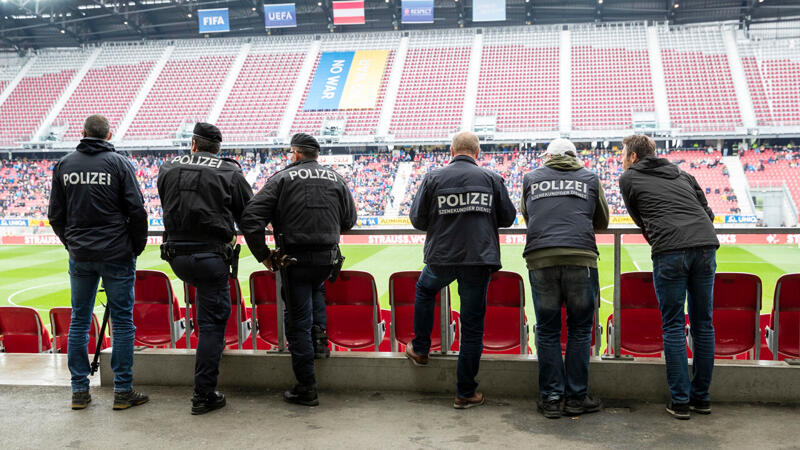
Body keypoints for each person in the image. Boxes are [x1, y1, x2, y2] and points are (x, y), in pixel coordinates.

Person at [240, 133, 357, 406]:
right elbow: (349, 220)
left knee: (297, 324)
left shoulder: (281, 179)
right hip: (327, 260)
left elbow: (250, 218)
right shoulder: (336, 178)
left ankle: (306, 387)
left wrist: (264, 255)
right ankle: (320, 344)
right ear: (316, 154)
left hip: (295, 261)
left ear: (295, 154)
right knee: (316, 292)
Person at [406, 131, 516, 409]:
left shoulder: (433, 177)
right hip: (478, 260)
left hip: (442, 257)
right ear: (477, 154)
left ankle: (420, 348)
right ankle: (465, 392)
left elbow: (418, 220)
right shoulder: (492, 178)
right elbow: (508, 218)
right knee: (472, 327)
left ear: (452, 151)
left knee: (424, 288)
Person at [48, 114, 149, 411]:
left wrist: (73, 244)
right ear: (108, 135)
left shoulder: (65, 164)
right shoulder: (119, 163)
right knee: (122, 322)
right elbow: (137, 210)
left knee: (79, 320)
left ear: (82, 133)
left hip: (81, 256)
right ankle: (122, 391)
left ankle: (79, 391)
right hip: (117, 254)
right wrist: (136, 247)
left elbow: (56, 215)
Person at [619, 134, 719, 420]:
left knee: (674, 326)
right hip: (704, 246)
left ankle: (680, 401)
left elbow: (640, 219)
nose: (622, 159)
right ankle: (702, 398)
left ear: (634, 157)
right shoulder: (683, 174)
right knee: (703, 323)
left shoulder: (628, 179)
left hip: (669, 250)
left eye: (624, 154)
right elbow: (707, 213)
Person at [157, 123, 253, 415]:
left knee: (204, 312)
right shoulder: (229, 171)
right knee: (212, 324)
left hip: (177, 257)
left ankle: (205, 369)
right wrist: (263, 254)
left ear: (194, 144)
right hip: (211, 257)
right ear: (218, 148)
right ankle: (203, 394)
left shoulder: (167, 168)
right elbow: (248, 216)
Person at [520, 138, 609, 419]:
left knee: (547, 330)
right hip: (580, 258)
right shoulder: (590, 178)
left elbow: (527, 214)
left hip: (541, 258)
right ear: (574, 156)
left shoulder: (530, 178)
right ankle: (576, 398)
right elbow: (602, 221)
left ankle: (551, 398)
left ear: (548, 157)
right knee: (580, 330)